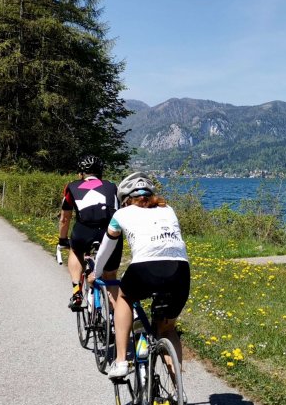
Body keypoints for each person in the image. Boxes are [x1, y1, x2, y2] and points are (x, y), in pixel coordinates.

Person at [93, 172, 191, 380]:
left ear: (126, 199)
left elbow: (105, 250)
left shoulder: (121, 214)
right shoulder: (169, 210)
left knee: (124, 298)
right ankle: (177, 391)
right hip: (180, 271)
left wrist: (96, 272)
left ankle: (120, 361)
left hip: (144, 269)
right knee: (167, 329)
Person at [58, 155, 122, 310]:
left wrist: (62, 239)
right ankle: (115, 323)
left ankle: (76, 292)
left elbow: (65, 219)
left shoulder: (72, 187)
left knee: (75, 250)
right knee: (110, 276)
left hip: (84, 231)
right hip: (110, 232)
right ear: (100, 173)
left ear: (81, 173)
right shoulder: (112, 186)